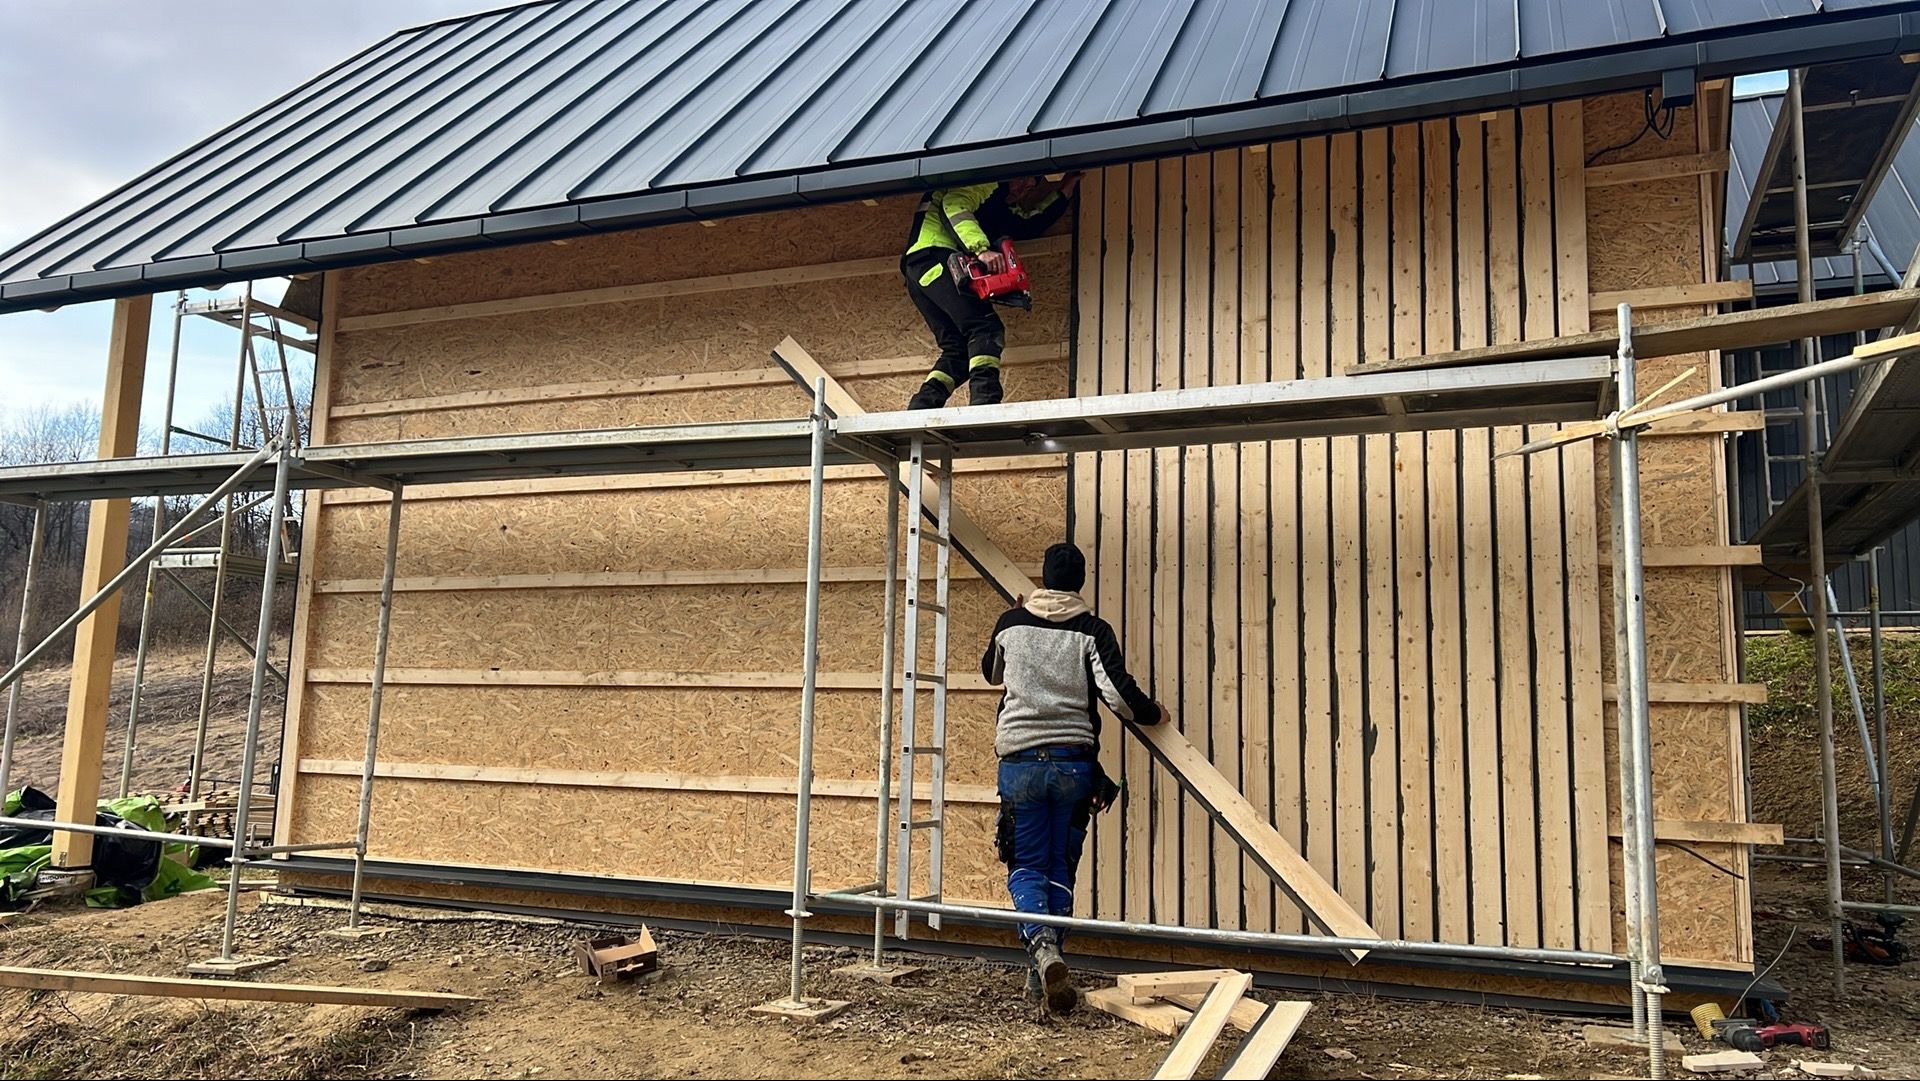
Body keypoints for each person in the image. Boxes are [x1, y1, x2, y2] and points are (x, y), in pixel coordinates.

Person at [980, 542, 1165, 1013]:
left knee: (1025, 863)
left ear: (1041, 578)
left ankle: (1041, 949)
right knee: (1060, 868)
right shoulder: (1091, 630)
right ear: (1081, 582)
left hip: (1020, 764)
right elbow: (1118, 697)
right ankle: (1040, 974)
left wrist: (1013, 618)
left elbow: (990, 673)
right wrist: (1153, 713)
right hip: (1073, 765)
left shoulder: (1011, 623)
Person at [900, 174, 1081, 410]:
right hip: (936, 257)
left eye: (1031, 185)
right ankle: (984, 405)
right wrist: (982, 250)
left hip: (920, 270)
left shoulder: (997, 209)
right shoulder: (986, 181)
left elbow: (1026, 224)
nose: (1024, 187)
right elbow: (954, 204)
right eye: (1022, 179)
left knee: (957, 350)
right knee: (985, 329)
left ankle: (921, 408)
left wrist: (1064, 192)